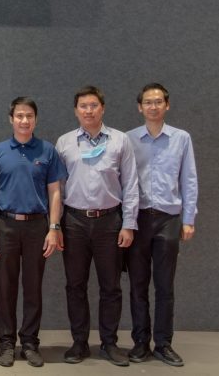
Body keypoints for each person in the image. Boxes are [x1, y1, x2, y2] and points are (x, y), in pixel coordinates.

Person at [55, 86, 139, 366]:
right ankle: (79, 342)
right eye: (83, 106)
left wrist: (129, 224)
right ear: (76, 110)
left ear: (102, 108)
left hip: (110, 222)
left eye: (93, 105)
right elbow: (57, 189)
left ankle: (109, 343)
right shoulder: (64, 143)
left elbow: (131, 184)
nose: (88, 110)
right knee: (75, 285)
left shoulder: (120, 140)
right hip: (74, 222)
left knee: (111, 286)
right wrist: (56, 226)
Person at [0, 97, 67, 368]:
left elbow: (55, 192)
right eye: (19, 116)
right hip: (5, 225)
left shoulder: (47, 150)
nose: (24, 120)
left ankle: (30, 343)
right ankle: (6, 344)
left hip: (37, 226)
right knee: (5, 287)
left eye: (29, 116)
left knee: (33, 287)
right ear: (11, 119)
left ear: (36, 119)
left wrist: (54, 228)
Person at [126, 83, 197, 367]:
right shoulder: (129, 139)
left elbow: (189, 179)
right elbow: (123, 181)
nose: (153, 106)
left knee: (165, 286)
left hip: (168, 218)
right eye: (148, 102)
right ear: (139, 107)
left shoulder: (181, 138)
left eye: (158, 101)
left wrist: (188, 219)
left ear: (167, 105)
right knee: (137, 284)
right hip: (138, 219)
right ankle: (140, 342)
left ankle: (164, 343)